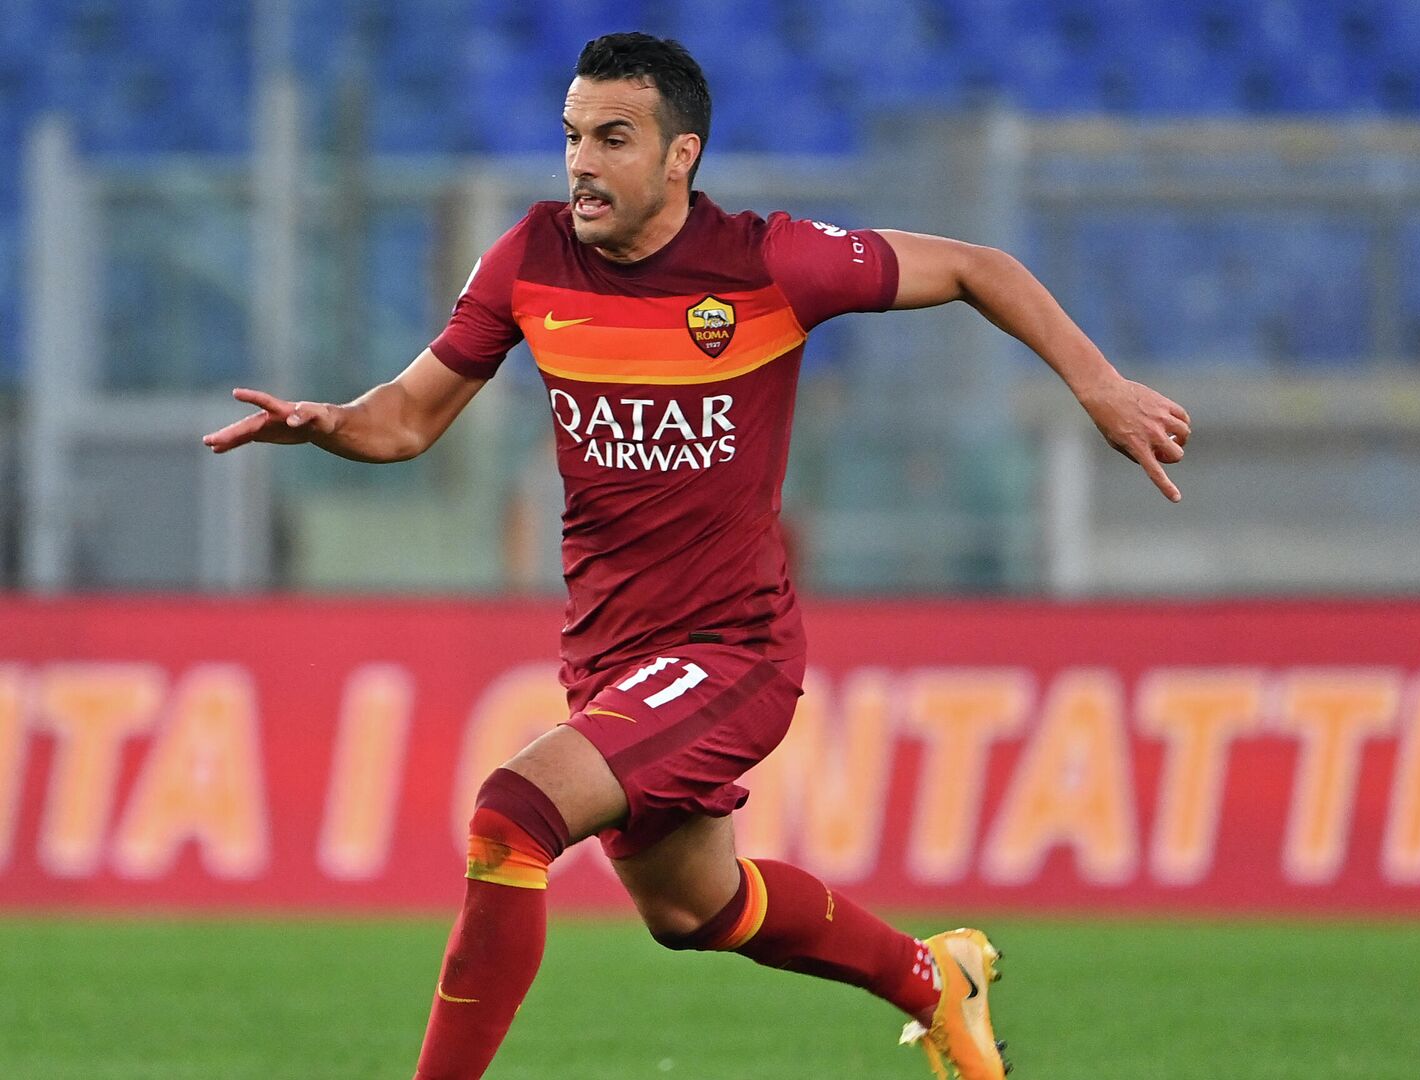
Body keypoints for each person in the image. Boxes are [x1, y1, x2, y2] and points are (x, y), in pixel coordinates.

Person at [203, 32, 1190, 1080]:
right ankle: (929, 977)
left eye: (613, 139)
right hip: (610, 658)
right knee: (692, 908)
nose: (581, 162)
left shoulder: (768, 263)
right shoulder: (531, 259)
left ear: (682, 156)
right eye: (573, 136)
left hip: (734, 649)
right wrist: (331, 422)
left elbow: (973, 266)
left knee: (513, 814)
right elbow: (406, 420)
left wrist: (1097, 383)